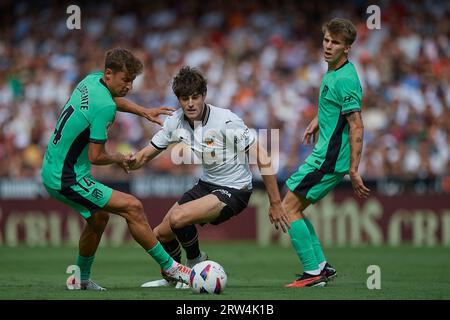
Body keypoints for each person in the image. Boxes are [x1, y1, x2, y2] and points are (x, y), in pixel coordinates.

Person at [40, 48, 192, 291]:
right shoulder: (104, 108)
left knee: (99, 218)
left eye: (132, 81)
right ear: (109, 74)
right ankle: (171, 267)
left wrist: (143, 111)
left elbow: (111, 100)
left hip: (53, 169)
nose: (130, 86)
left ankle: (80, 280)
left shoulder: (91, 81)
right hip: (66, 178)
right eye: (125, 80)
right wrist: (118, 158)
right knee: (133, 206)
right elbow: (96, 156)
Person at [129, 66, 290, 288]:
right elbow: (146, 154)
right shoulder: (175, 121)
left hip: (235, 189)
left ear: (204, 95)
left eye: (195, 97)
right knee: (161, 234)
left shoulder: (226, 120)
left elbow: (262, 157)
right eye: (185, 98)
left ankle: (194, 264)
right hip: (206, 184)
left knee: (178, 219)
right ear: (179, 99)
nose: (191, 103)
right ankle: (175, 276)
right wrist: (126, 160)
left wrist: (275, 203)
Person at [282, 18, 371, 288]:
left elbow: (357, 124)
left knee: (287, 208)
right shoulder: (333, 70)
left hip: (330, 159)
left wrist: (354, 169)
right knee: (296, 208)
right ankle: (320, 267)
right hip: (326, 154)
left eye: (336, 43)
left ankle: (313, 273)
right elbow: (333, 108)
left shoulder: (345, 78)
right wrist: (317, 120)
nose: (328, 46)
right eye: (326, 40)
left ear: (347, 48)